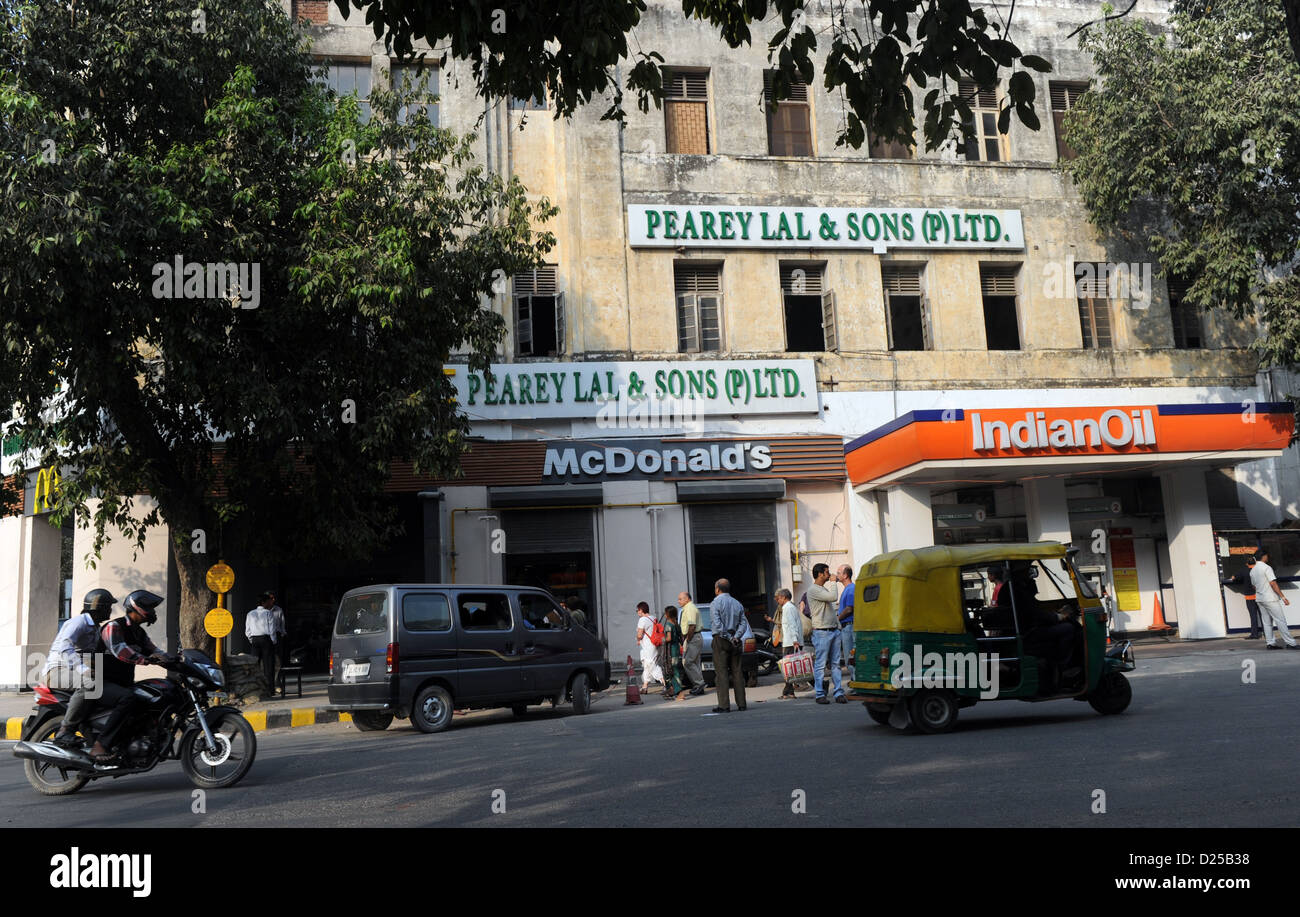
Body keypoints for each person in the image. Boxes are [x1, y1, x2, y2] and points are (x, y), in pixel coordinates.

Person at [93, 590, 173, 762]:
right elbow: (120, 651)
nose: (152, 612)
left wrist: (174, 659)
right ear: (137, 608)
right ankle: (100, 745)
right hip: (99, 682)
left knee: (147, 698)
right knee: (128, 698)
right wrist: (146, 660)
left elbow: (155, 650)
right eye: (149, 608)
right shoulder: (114, 626)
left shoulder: (139, 633)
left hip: (121, 683)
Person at [45, 589, 117, 748]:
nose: (111, 610)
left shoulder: (95, 627)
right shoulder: (79, 622)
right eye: (108, 606)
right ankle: (66, 729)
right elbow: (64, 646)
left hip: (72, 670)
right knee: (89, 683)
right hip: (57, 670)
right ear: (99, 607)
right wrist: (83, 669)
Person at [805, 563, 845, 704]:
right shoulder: (813, 590)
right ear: (820, 574)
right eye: (827, 572)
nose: (830, 574)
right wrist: (834, 582)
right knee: (821, 665)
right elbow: (833, 597)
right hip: (822, 632)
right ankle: (820, 694)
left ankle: (839, 692)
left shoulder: (821, 589)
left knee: (836, 664)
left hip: (833, 630)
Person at [710, 579, 747, 712]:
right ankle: (741, 704)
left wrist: (729, 637)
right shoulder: (737, 603)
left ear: (717, 589)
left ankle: (724, 705)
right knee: (737, 672)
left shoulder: (716, 603)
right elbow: (743, 623)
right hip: (735, 640)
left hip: (721, 639)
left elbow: (717, 623)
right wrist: (736, 636)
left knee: (721, 673)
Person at [1250, 549, 1297, 649]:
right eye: (1267, 555)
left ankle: (1270, 643)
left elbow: (1254, 586)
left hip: (1260, 599)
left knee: (1266, 622)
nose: (1268, 557)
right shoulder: (1267, 568)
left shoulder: (1253, 570)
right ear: (1263, 556)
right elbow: (1273, 583)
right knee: (1280, 620)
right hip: (1270, 598)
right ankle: (1290, 643)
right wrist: (1283, 597)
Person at [1221, 556, 1263, 639]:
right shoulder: (1259, 570)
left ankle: (1254, 634)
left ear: (1247, 563)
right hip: (1261, 595)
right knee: (1264, 615)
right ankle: (1267, 633)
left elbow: (1234, 578)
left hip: (1250, 597)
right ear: (1255, 562)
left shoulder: (1244, 571)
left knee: (1253, 615)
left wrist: (1233, 577)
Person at [246, 592, 281, 690]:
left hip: (254, 640)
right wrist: (273, 641)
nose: (269, 604)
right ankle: (270, 689)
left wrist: (251, 640)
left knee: (254, 665)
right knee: (268, 665)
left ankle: (256, 689)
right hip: (266, 639)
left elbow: (247, 631)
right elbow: (272, 629)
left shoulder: (250, 614)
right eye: (268, 602)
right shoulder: (268, 613)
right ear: (263, 602)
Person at [775, 588, 803, 698]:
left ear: (784, 597)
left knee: (789, 668)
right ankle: (789, 692)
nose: (778, 600)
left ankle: (787, 692)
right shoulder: (789, 607)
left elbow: (792, 625)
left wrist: (795, 640)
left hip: (791, 642)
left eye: (779, 598)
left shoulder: (788, 608)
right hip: (791, 641)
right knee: (791, 667)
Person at [677, 590, 705, 696]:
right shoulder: (687, 608)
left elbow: (692, 625)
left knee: (688, 662)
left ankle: (699, 684)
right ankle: (699, 686)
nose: (678, 601)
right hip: (694, 637)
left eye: (680, 599)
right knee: (695, 663)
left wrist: (688, 639)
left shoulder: (690, 608)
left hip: (693, 637)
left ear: (687, 599)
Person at [635, 602, 664, 691]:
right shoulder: (653, 618)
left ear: (641, 610)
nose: (637, 612)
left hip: (648, 647)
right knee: (647, 665)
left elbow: (639, 635)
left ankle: (665, 683)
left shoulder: (642, 620)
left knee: (651, 665)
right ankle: (645, 686)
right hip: (655, 645)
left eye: (637, 610)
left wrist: (638, 638)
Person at [659, 605, 683, 699]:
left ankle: (679, 692)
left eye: (665, 613)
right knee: (674, 669)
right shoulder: (676, 624)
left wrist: (662, 639)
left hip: (670, 651)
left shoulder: (669, 624)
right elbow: (680, 637)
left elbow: (669, 638)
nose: (665, 614)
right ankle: (671, 691)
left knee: (671, 670)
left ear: (668, 614)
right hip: (676, 649)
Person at [836, 564, 855, 675]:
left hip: (849, 626)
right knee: (849, 656)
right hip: (846, 627)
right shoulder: (847, 589)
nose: (837, 575)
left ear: (845, 575)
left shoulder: (851, 589)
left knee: (850, 656)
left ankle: (855, 681)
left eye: (839, 573)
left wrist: (837, 619)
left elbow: (849, 609)